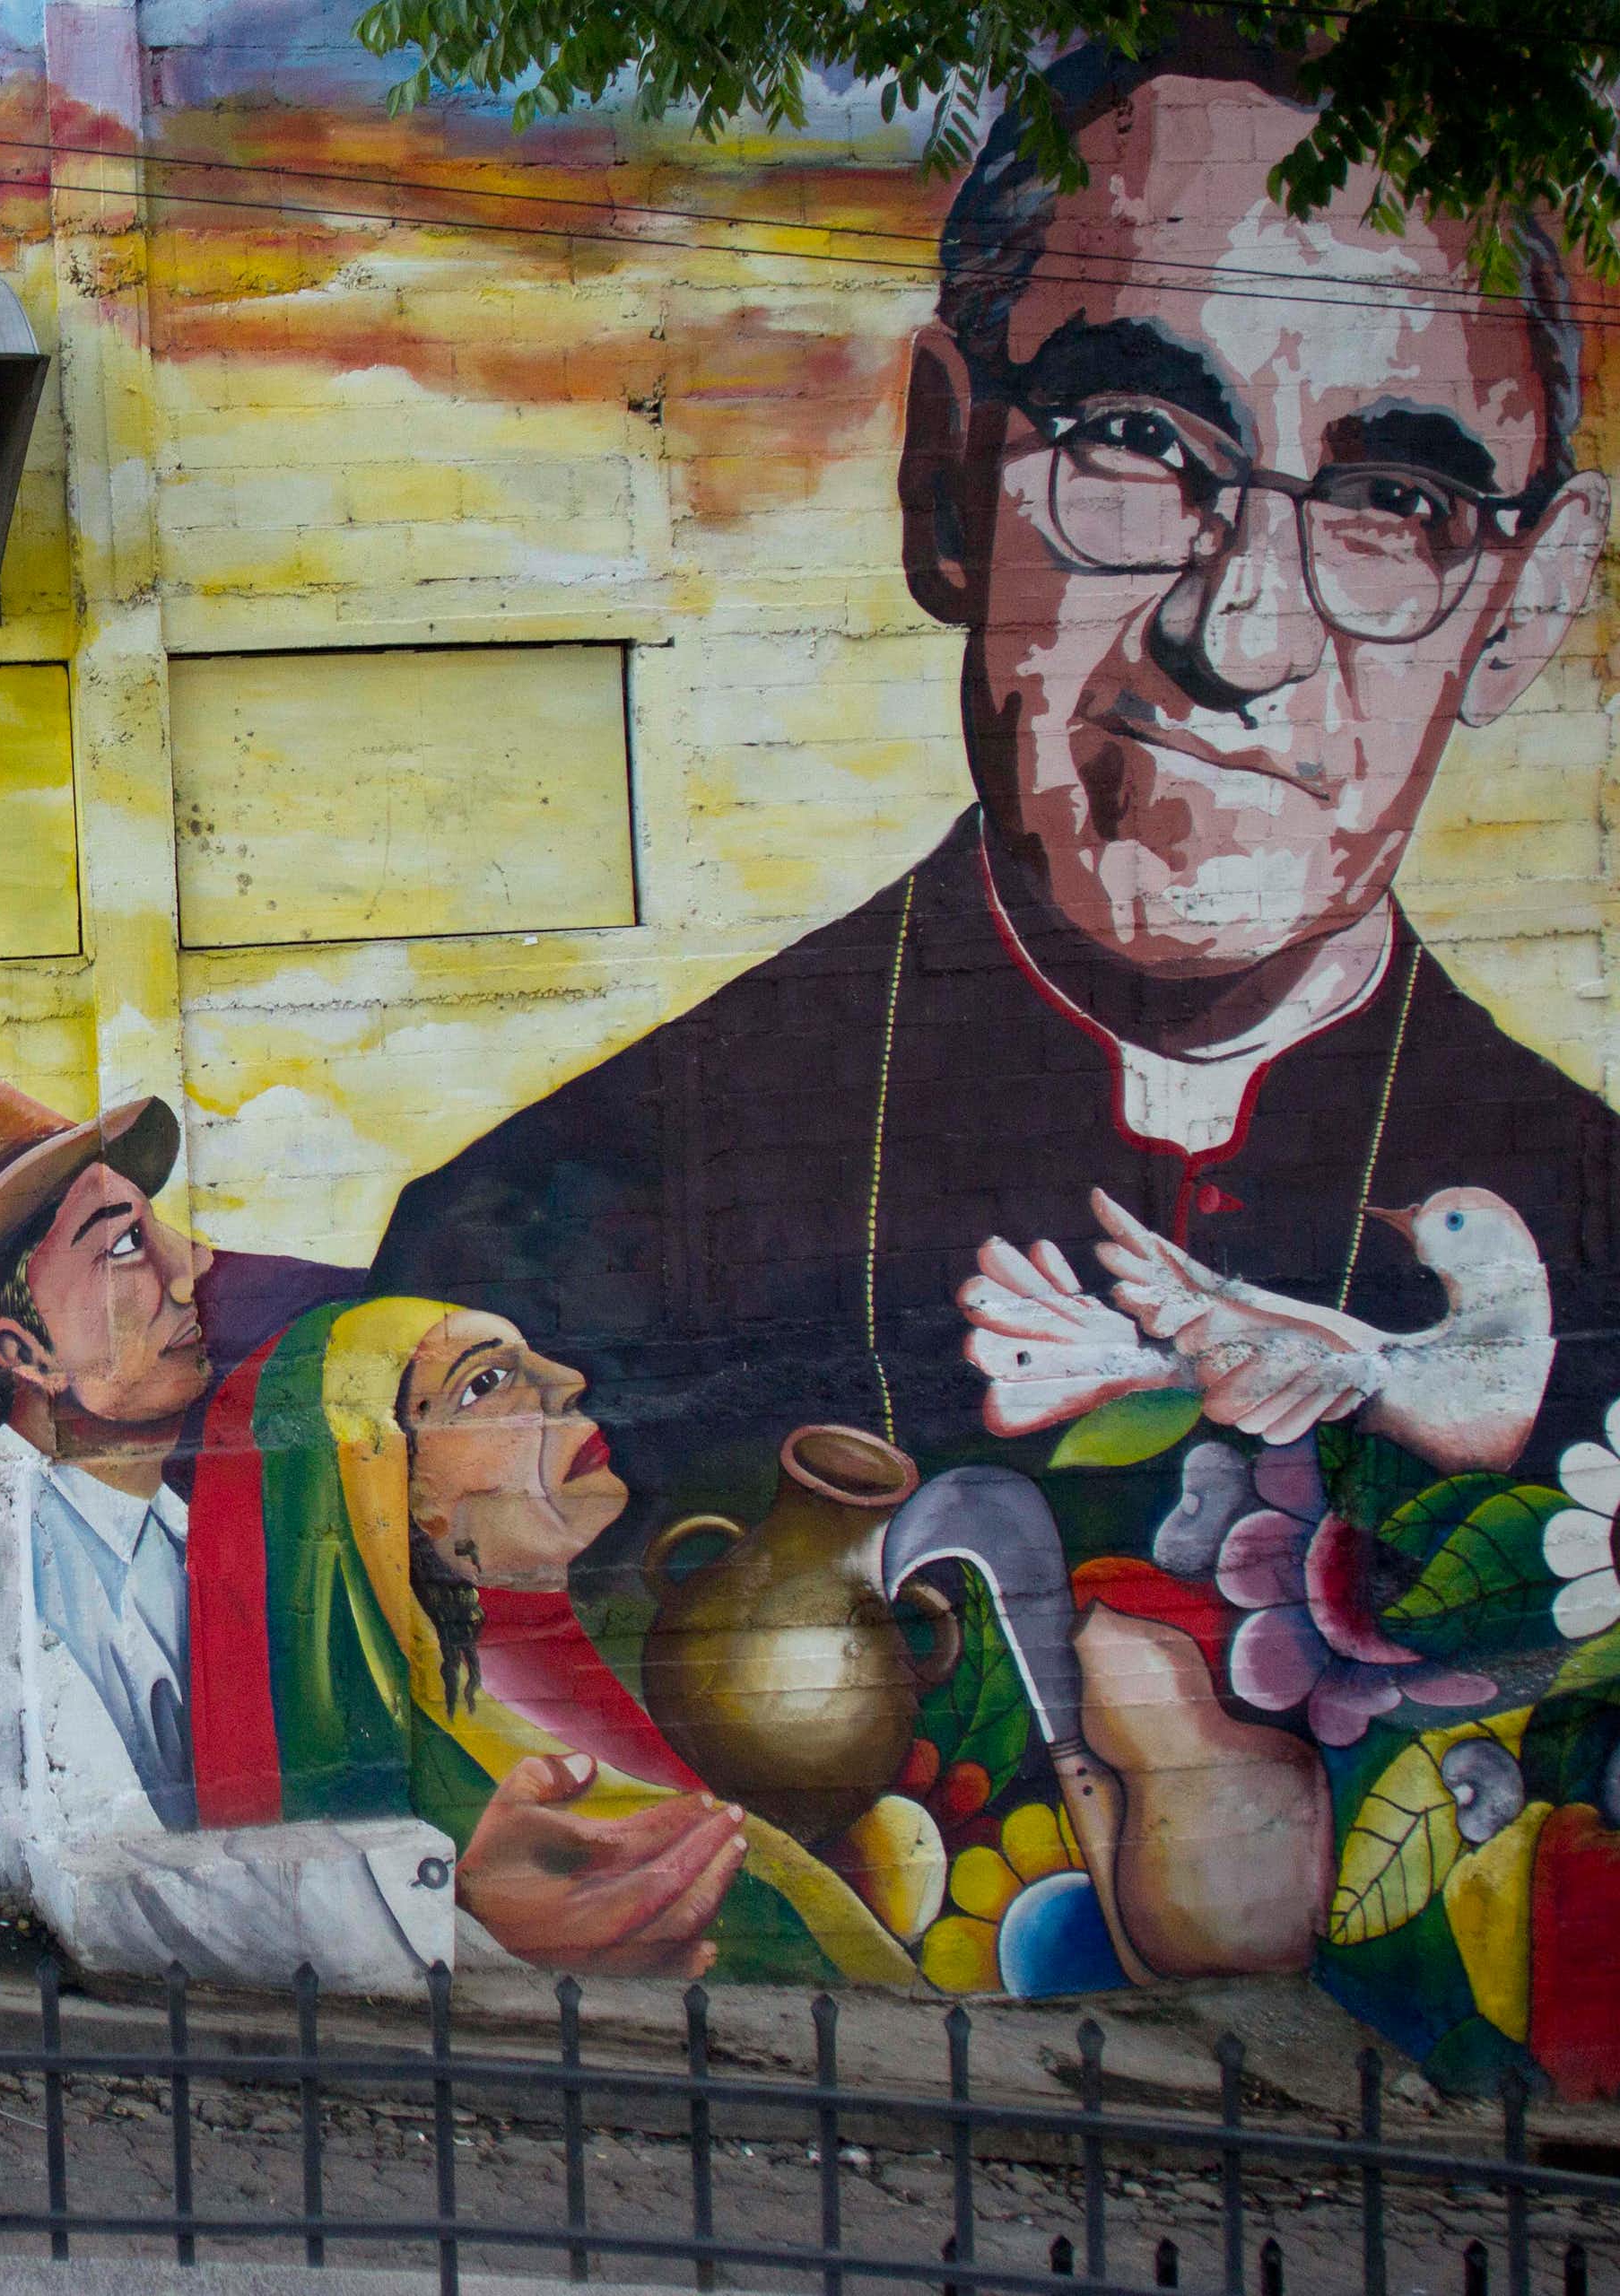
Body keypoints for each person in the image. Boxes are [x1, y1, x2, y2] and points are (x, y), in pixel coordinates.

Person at [368, 28, 1619, 1532]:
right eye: (1139, 439)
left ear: (1526, 613)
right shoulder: (529, 1259)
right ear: (943, 477)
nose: (1239, 630)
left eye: (1392, 503)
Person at [0, 1078, 446, 1981]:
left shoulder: (184, 1531)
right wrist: (438, 1895)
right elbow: (82, 1881)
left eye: (155, 1226)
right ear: (24, 1352)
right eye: (124, 1244)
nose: (191, 1263)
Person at [185, 1296, 919, 1985]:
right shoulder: (487, 1796)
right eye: (486, 1383)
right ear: (382, 1494)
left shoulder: (559, 1683)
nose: (568, 1381)